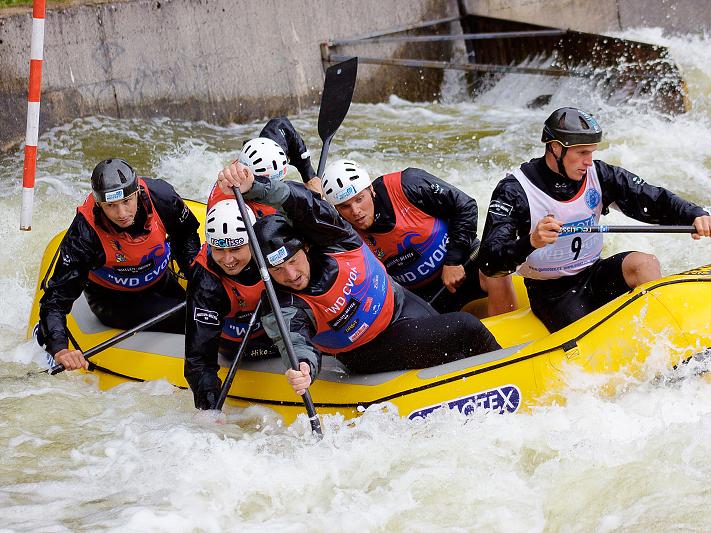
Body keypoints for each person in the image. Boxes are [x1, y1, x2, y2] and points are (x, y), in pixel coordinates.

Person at [215, 162, 501, 397]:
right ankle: (505, 377)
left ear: (306, 247)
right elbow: (294, 340)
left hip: (400, 305)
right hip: (366, 349)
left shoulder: (336, 236)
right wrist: (304, 367)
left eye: (292, 261)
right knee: (467, 328)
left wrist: (254, 186)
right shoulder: (281, 303)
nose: (291, 275)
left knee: (454, 339)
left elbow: (299, 200)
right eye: (277, 270)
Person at [479, 107, 711, 332]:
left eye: (592, 152)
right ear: (555, 148)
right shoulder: (514, 190)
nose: (588, 161)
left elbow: (652, 198)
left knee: (645, 263)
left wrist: (696, 215)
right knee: (591, 328)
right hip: (553, 294)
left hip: (595, 273)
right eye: (582, 152)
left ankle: (667, 334)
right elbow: (490, 260)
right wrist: (531, 241)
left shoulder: (599, 175)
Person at [38, 158, 200, 371]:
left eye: (126, 202)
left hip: (161, 280)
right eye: (111, 206)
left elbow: (186, 233)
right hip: (115, 301)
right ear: (99, 204)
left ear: (136, 193)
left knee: (205, 305)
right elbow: (55, 299)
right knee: (195, 318)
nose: (122, 214)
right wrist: (60, 348)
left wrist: (196, 275)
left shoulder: (162, 196)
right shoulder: (84, 234)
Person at [319, 159, 517, 316]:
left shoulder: (408, 184)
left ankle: (508, 334)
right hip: (421, 296)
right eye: (345, 206)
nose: (356, 212)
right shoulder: (341, 233)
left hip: (462, 264)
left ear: (370, 189)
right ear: (336, 210)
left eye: (359, 199)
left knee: (496, 259)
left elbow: (466, 206)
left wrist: (453, 261)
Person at [184, 200, 279, 410]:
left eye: (236, 248)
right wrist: (210, 406)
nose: (228, 260)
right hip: (240, 346)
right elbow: (199, 359)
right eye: (218, 249)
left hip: (276, 326)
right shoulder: (206, 282)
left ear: (253, 241)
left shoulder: (274, 246)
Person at [206, 117, 321, 216]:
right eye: (269, 183)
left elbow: (281, 125)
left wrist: (310, 177)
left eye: (278, 181)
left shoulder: (259, 153)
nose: (273, 187)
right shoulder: (231, 207)